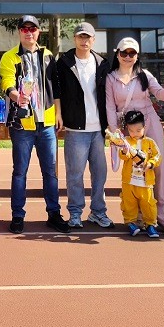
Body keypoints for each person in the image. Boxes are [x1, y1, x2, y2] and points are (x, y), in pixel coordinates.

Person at [0, 15, 69, 234]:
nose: (28, 32)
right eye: (24, 29)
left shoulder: (48, 55)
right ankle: (18, 215)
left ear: (39, 31)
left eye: (33, 29)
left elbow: (55, 87)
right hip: (22, 124)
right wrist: (16, 96)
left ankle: (54, 214)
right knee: (20, 172)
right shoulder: (9, 57)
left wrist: (58, 113)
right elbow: (7, 83)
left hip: (46, 123)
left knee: (50, 172)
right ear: (19, 32)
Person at [104, 37, 164, 236]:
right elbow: (110, 106)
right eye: (124, 53)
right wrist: (115, 132)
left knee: (158, 168)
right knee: (132, 169)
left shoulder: (145, 75)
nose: (128, 57)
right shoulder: (111, 78)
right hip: (126, 128)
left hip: (149, 123)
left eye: (132, 53)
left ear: (137, 56)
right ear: (117, 54)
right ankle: (138, 217)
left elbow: (162, 95)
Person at [56, 22, 113, 230]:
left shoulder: (102, 63)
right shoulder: (64, 62)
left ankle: (98, 212)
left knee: (100, 174)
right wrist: (59, 114)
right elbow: (57, 92)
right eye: (80, 36)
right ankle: (75, 213)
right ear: (74, 38)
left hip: (98, 130)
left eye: (88, 37)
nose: (84, 40)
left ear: (93, 40)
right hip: (75, 129)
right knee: (75, 175)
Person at [113, 110, 161, 238]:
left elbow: (157, 156)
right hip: (129, 182)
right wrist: (124, 151)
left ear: (144, 127)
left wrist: (150, 163)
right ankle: (131, 223)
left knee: (148, 203)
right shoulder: (126, 141)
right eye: (131, 131)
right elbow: (123, 156)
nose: (135, 134)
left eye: (138, 130)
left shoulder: (150, 142)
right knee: (128, 204)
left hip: (145, 182)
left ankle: (150, 224)